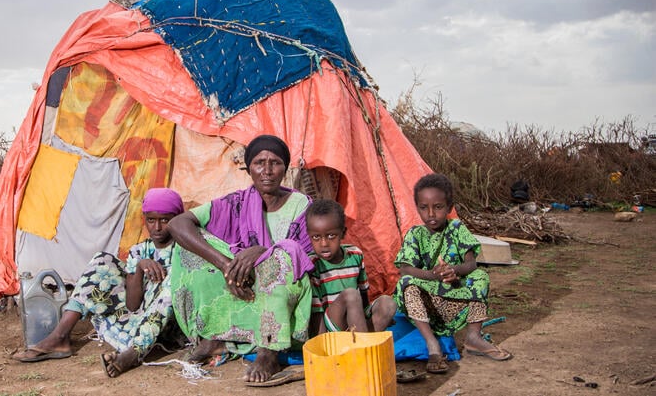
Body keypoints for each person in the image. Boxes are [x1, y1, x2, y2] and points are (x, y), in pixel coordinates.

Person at [167, 135, 313, 385]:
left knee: (282, 256)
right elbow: (177, 223)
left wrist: (261, 252)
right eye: (259, 162)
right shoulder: (236, 203)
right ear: (249, 168)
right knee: (188, 247)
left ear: (285, 168)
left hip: (284, 284)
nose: (267, 170)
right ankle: (216, 337)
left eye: (275, 163)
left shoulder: (301, 204)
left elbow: (303, 256)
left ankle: (269, 351)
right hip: (240, 281)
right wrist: (226, 265)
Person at [12, 188, 185, 378]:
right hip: (137, 318)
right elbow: (132, 305)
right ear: (144, 219)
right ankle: (60, 336)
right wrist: (138, 267)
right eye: (151, 220)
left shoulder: (183, 248)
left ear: (177, 219)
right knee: (101, 261)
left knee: (173, 281)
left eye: (165, 220)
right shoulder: (140, 251)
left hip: (166, 324)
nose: (157, 228)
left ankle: (132, 355)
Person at [393, 173, 513, 375]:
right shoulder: (415, 234)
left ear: (449, 208)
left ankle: (474, 337)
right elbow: (405, 268)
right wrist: (433, 275)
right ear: (418, 208)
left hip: (454, 298)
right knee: (406, 282)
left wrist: (453, 272)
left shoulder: (457, 228)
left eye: (438, 207)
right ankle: (432, 345)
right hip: (427, 304)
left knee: (481, 276)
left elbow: (471, 263)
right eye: (424, 208)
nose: (431, 214)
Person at [306, 199, 396, 335]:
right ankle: (362, 348)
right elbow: (316, 310)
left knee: (388, 304)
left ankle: (360, 338)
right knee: (351, 295)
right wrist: (324, 344)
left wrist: (372, 317)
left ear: (343, 233)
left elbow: (364, 292)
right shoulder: (312, 263)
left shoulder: (355, 255)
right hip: (333, 323)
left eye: (331, 236)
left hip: (355, 317)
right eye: (316, 237)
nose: (324, 243)